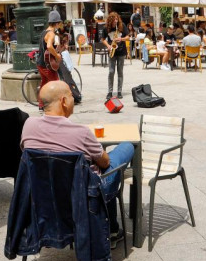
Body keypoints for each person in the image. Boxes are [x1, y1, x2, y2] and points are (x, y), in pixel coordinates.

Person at [20, 80, 134, 231]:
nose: (74, 98)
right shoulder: (82, 133)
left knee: (103, 167)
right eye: (72, 95)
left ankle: (111, 228)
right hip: (85, 194)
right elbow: (105, 163)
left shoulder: (28, 125)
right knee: (124, 149)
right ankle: (111, 230)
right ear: (64, 101)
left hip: (45, 192)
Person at [104, 11, 128, 101]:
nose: (115, 22)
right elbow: (103, 39)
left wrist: (120, 38)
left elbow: (128, 37)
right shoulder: (107, 28)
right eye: (114, 21)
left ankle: (119, 91)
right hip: (112, 52)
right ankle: (110, 92)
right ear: (110, 21)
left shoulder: (122, 26)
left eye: (116, 20)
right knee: (111, 72)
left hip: (121, 51)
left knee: (120, 72)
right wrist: (108, 46)